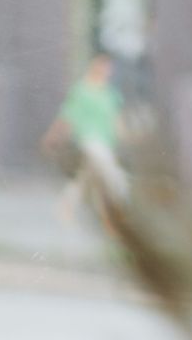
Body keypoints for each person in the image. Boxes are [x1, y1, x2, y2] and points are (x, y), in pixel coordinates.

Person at [40, 52, 129, 228]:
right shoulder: (82, 90)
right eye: (102, 65)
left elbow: (117, 121)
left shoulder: (110, 93)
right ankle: (116, 211)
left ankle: (65, 207)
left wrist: (127, 136)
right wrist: (52, 136)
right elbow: (67, 116)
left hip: (106, 142)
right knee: (112, 175)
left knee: (86, 178)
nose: (105, 70)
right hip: (89, 141)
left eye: (108, 67)